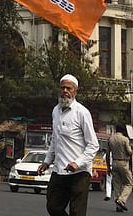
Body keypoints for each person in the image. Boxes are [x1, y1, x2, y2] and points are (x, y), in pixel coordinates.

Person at [38, 74, 99, 216]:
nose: (65, 91)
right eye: (62, 88)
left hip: (79, 172)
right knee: (53, 206)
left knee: (76, 212)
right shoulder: (56, 111)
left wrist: (77, 163)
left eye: (68, 88)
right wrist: (47, 162)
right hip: (60, 169)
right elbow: (55, 139)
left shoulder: (82, 113)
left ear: (75, 91)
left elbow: (93, 145)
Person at [108, 122, 133, 212]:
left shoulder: (111, 139)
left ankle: (118, 207)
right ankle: (121, 200)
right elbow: (129, 151)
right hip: (123, 163)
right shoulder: (125, 139)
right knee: (129, 183)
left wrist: (108, 167)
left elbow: (108, 154)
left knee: (117, 185)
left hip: (114, 162)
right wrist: (132, 151)